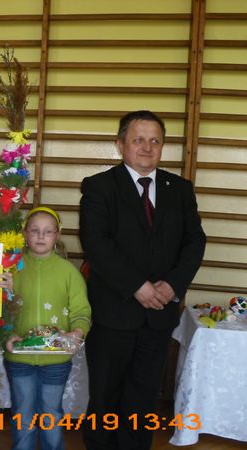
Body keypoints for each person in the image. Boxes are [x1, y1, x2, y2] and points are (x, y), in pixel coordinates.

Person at [79, 110, 206, 450]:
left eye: (155, 141)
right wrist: (137, 285)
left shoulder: (180, 189)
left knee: (143, 398)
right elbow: (96, 244)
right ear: (121, 144)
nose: (147, 147)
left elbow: (195, 242)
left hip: (159, 315)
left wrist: (173, 284)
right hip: (113, 314)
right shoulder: (99, 187)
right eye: (138, 140)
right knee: (105, 397)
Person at [1, 206, 91, 450]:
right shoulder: (11, 270)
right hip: (18, 358)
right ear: (25, 234)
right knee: (23, 412)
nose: (41, 236)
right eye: (35, 230)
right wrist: (8, 333)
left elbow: (82, 312)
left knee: (51, 413)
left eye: (48, 231)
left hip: (56, 360)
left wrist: (77, 332)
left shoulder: (69, 273)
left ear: (57, 235)